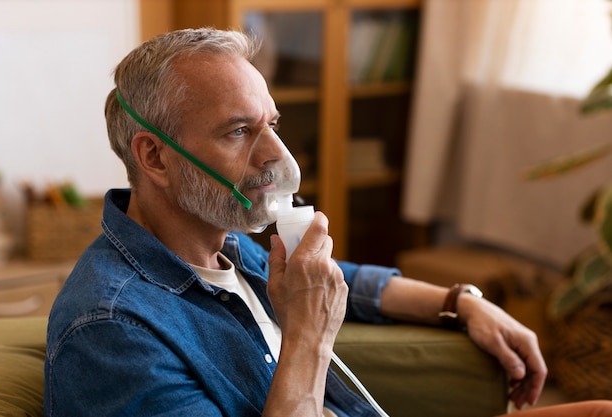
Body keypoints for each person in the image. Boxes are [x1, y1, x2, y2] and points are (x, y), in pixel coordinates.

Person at [44, 27, 612, 417]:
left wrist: (462, 301)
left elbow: (349, 281)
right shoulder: (113, 330)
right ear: (155, 157)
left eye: (271, 123)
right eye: (238, 132)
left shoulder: (220, 250)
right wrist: (308, 338)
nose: (276, 156)